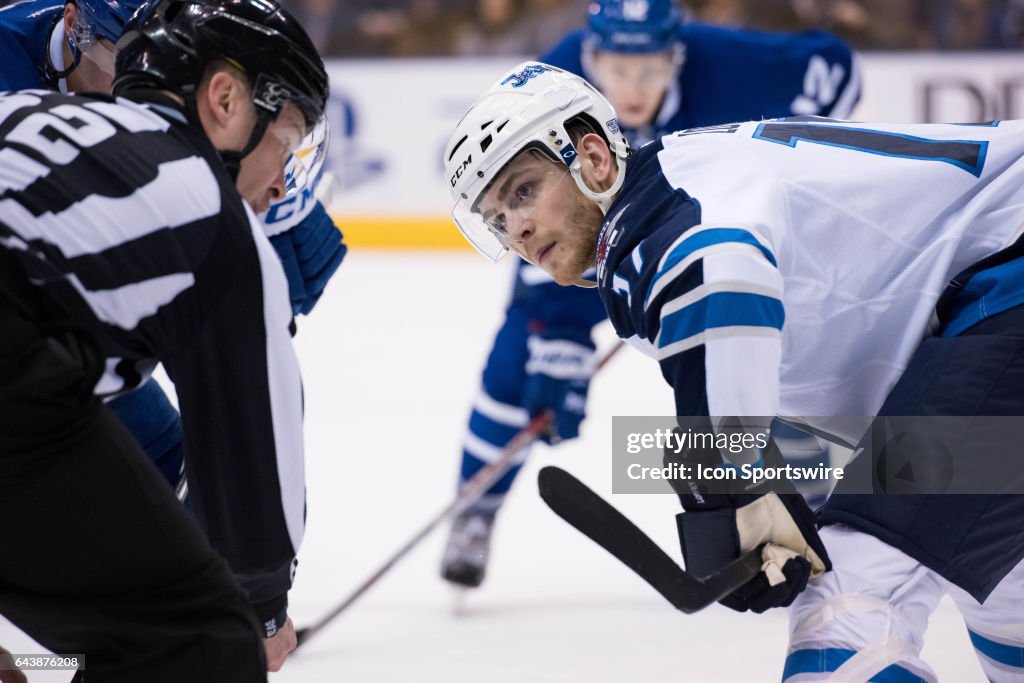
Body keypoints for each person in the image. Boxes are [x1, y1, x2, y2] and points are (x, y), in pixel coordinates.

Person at [444, 61, 1024, 681]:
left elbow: (718, 276)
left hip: (1002, 293)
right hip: (982, 322)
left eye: (524, 190)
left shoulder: (660, 219)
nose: (518, 228)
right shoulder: (672, 195)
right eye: (498, 219)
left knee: (845, 631)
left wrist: (726, 481)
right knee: (1001, 601)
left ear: (592, 156)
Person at [442, 0, 858, 589]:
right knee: (518, 366)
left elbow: (835, 68)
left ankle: (807, 495)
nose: (634, 91)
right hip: (579, 231)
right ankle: (474, 511)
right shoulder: (550, 87)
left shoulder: (730, 60)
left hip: (706, 232)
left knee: (765, 353)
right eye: (618, 69)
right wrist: (556, 335)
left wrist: (803, 147)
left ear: (679, 55)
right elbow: (526, 218)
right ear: (590, 57)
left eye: (651, 70)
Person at [0, 0, 329, 678]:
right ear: (226, 97)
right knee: (196, 637)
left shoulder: (32, 115)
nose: (280, 181)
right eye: (287, 143)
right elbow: (254, 469)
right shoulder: (204, 204)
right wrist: (258, 615)